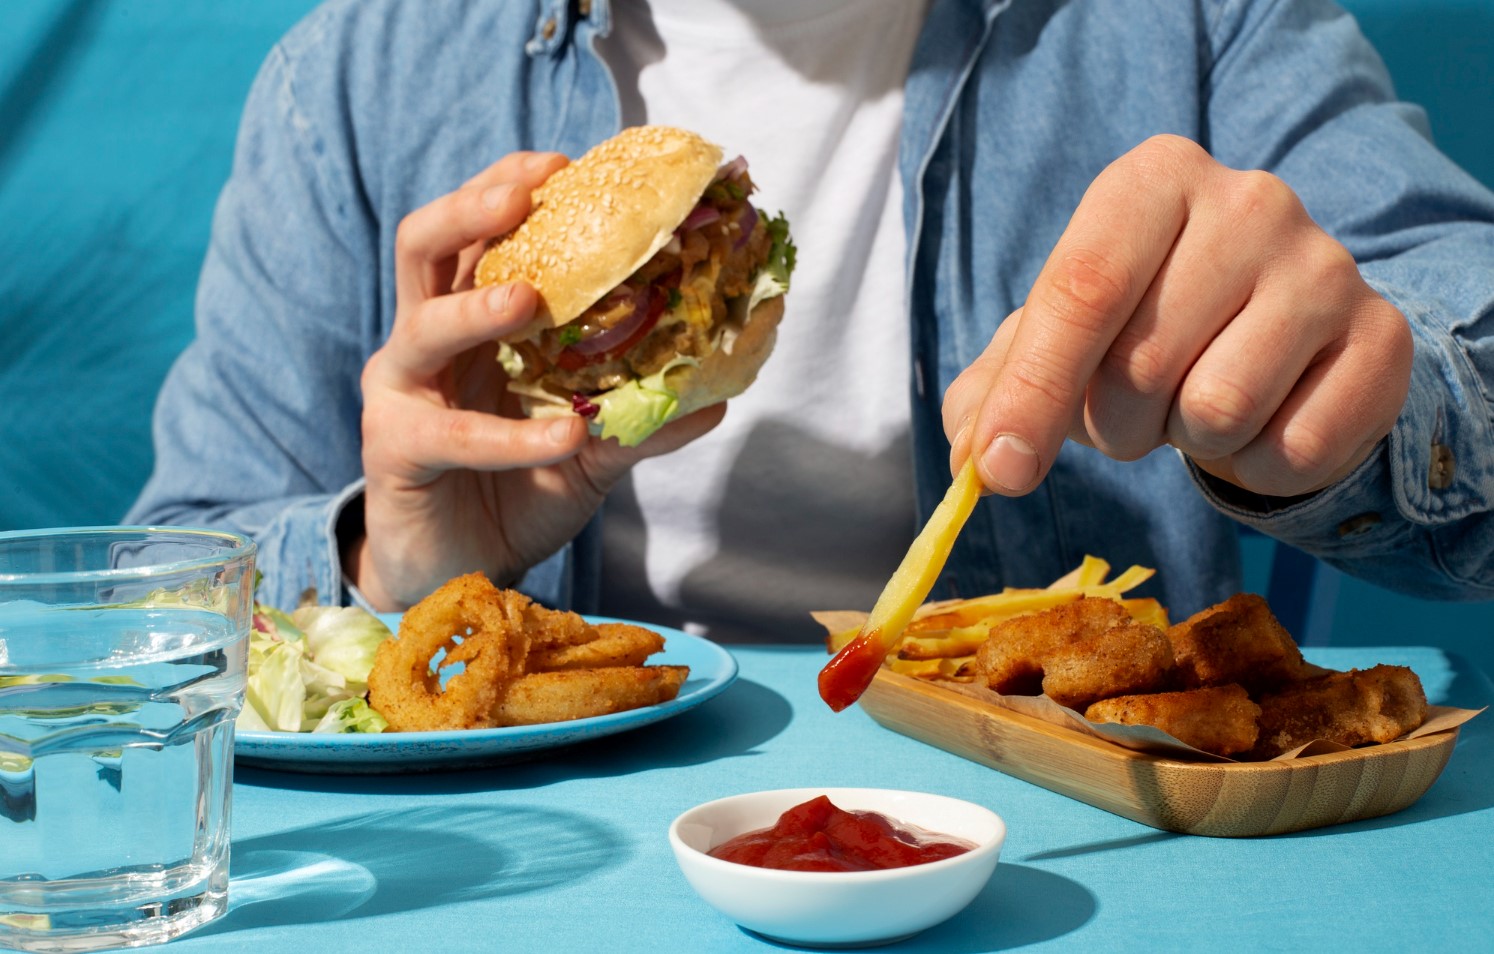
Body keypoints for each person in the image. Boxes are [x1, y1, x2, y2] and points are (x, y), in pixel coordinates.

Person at [127, 0, 1494, 641]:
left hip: (1079, 842)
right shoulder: (360, 72)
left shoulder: (1200, 23)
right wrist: (393, 559)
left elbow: (1459, 333)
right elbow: (157, 590)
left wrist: (1357, 397)